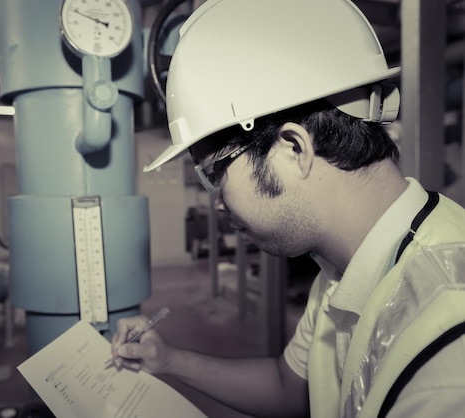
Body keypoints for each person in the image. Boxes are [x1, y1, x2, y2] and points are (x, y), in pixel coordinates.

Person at [111, 0, 465, 417]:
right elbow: (289, 389)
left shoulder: (447, 344)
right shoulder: (347, 267)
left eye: (215, 173)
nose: (218, 201)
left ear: (294, 148)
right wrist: (168, 360)